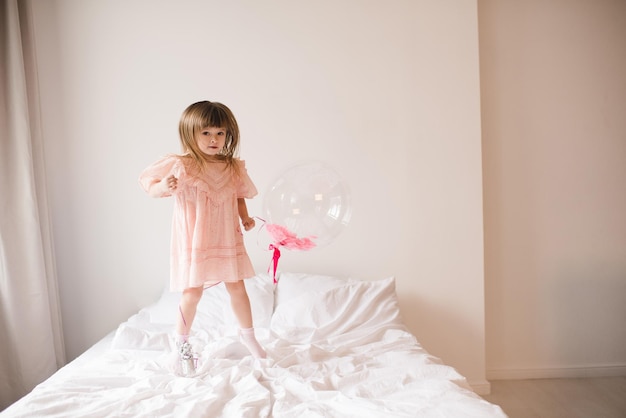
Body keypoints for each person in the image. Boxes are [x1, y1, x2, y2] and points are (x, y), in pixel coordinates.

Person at [139, 101, 266, 375]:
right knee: (192, 292)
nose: (214, 139)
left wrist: (244, 216)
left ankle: (249, 336)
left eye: (220, 133)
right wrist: (164, 185)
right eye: (206, 133)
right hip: (195, 239)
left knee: (237, 287)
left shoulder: (231, 166)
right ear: (190, 133)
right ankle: (181, 345)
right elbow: (149, 185)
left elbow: (238, 194)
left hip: (225, 235)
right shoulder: (181, 164)